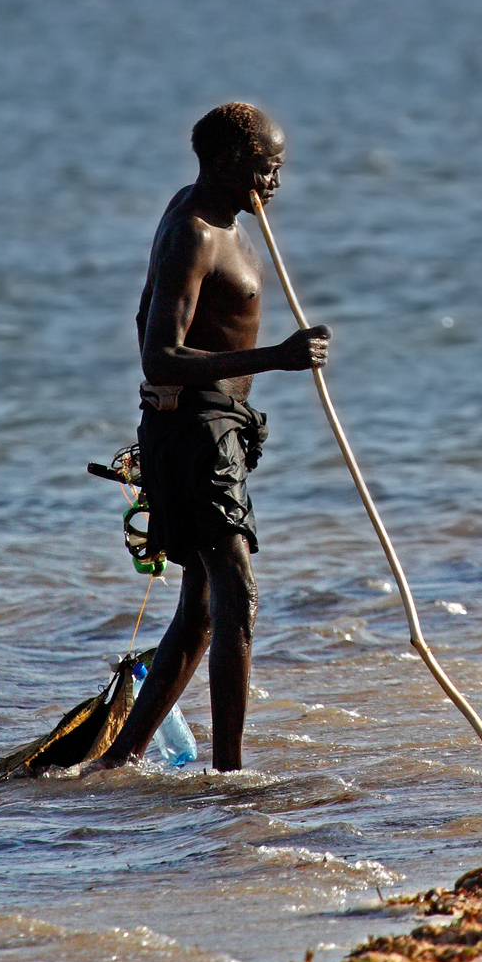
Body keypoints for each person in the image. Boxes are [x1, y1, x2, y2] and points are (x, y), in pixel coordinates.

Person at [93, 102, 329, 772]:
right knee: (237, 590)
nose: (276, 180)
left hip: (210, 429)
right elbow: (158, 353)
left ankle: (120, 763)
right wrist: (275, 359)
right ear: (228, 164)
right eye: (267, 166)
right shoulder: (194, 233)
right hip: (193, 429)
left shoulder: (219, 215)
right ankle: (231, 775)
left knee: (202, 602)